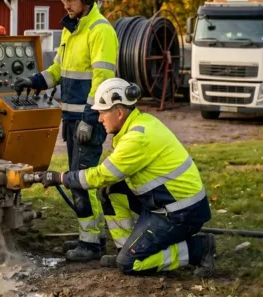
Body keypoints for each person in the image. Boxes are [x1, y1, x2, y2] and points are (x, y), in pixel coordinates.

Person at [39, 78, 216, 277]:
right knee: (110, 191)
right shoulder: (140, 123)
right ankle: (124, 248)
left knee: (131, 264)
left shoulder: (136, 139)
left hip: (180, 214)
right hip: (167, 204)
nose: (99, 119)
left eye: (102, 113)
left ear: (119, 112)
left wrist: (61, 177)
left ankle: (198, 249)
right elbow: (110, 177)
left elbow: (101, 175)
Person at [13, 0, 119, 262]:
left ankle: (91, 244)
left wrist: (89, 119)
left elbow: (101, 80)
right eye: (62, 0)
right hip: (72, 120)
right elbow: (58, 70)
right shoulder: (71, 30)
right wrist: (34, 81)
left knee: (80, 180)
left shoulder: (100, 31)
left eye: (70, 0)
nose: (66, 6)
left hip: (89, 120)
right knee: (76, 179)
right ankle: (91, 237)